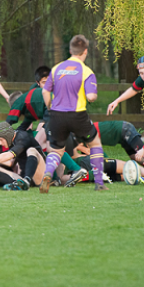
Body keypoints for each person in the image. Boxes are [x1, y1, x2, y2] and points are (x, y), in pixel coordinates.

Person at [41, 34, 108, 193]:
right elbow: (91, 97)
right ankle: (99, 183)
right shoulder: (86, 71)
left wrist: (50, 106)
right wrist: (93, 96)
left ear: (70, 50)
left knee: (56, 150)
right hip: (77, 114)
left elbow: (45, 91)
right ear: (85, 51)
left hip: (56, 114)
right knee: (95, 144)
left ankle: (47, 174)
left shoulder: (56, 68)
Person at [6, 66, 50, 131]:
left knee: (41, 131)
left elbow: (9, 121)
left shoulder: (20, 102)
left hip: (54, 111)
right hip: (48, 111)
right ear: (38, 83)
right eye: (44, 82)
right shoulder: (33, 92)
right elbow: (25, 124)